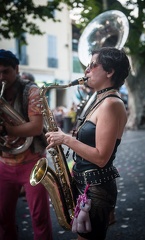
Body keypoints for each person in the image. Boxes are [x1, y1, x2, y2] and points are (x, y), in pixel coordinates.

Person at [45, 47, 130, 240]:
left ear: (109, 72)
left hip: (95, 190)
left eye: (93, 65)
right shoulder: (101, 100)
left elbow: (101, 158)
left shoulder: (111, 104)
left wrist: (66, 139)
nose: (86, 71)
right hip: (86, 186)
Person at [0, 49, 53, 240]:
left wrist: (8, 130)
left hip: (33, 162)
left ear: (16, 68)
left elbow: (36, 128)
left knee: (39, 218)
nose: (1, 77)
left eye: (5, 71)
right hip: (4, 163)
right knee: (2, 218)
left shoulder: (31, 91)